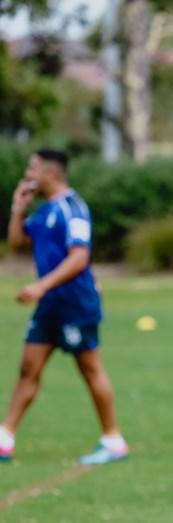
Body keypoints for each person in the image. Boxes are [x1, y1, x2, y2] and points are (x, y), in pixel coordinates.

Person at [0, 149, 129, 465]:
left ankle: (113, 440)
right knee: (28, 367)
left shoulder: (74, 209)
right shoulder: (44, 211)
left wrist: (41, 285)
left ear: (51, 173)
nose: (28, 172)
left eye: (33, 167)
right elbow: (17, 243)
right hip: (50, 306)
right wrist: (18, 208)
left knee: (89, 369)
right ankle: (5, 437)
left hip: (75, 304)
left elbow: (79, 257)